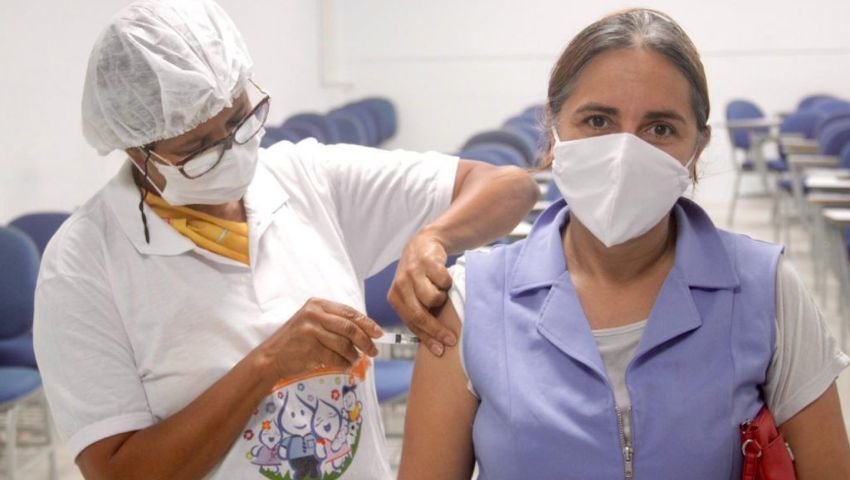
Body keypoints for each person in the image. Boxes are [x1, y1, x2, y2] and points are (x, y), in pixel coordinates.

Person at [31, 1, 538, 479]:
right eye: (198, 147)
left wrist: (433, 237)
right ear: (135, 149)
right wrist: (267, 365)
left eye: (239, 120)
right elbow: (116, 470)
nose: (231, 151)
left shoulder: (307, 179)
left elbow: (508, 187)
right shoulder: (85, 263)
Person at [399, 8, 850, 480]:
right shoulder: (473, 302)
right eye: (597, 121)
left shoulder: (765, 289)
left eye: (660, 129)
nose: (624, 153)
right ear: (554, 131)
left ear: (697, 149)